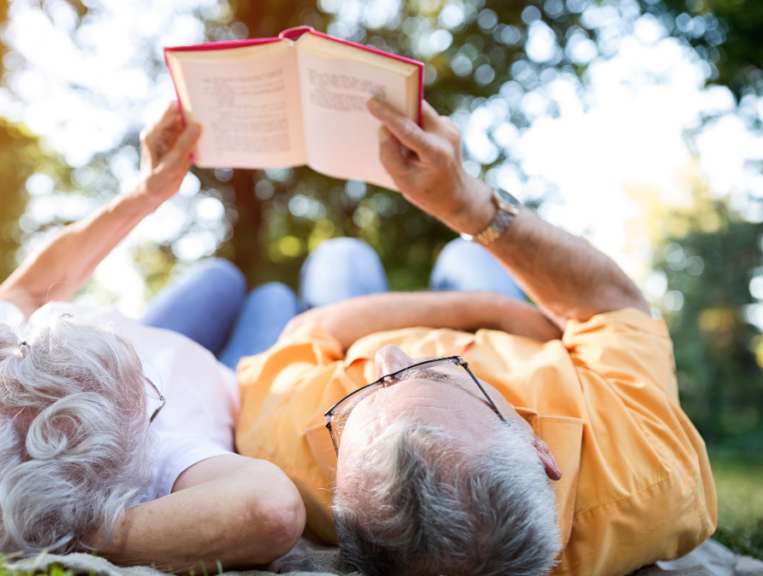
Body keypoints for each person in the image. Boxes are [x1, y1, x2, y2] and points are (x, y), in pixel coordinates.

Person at [234, 98, 717, 576]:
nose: (390, 354)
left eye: (361, 399)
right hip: (518, 330)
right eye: (442, 377)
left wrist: (486, 311)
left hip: (352, 329)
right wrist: (467, 209)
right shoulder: (655, 470)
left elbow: (311, 331)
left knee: (341, 255)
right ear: (538, 448)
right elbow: (613, 302)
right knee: (469, 258)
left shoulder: (289, 449)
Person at [0, 103, 307, 573]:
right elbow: (271, 509)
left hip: (160, 335)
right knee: (274, 296)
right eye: (146, 402)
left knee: (218, 275)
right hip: (227, 379)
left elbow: (32, 285)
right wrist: (74, 537)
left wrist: (145, 193)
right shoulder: (143, 475)